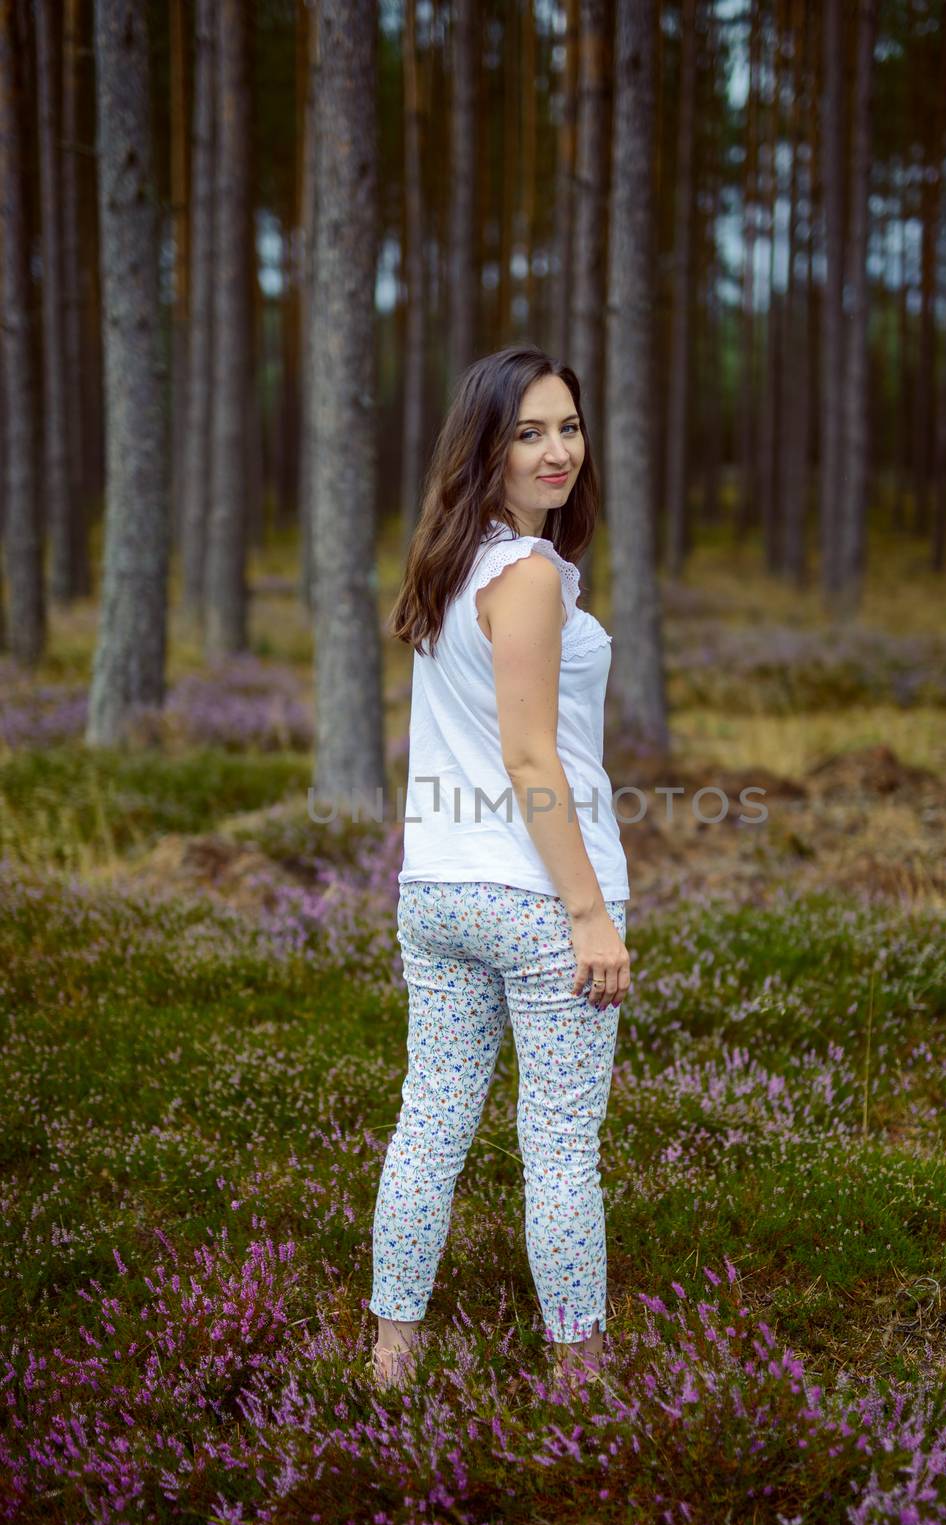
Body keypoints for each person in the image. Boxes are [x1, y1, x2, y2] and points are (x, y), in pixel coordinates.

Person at [372, 345, 633, 1392]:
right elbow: (529, 758)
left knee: (428, 1119)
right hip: (533, 896)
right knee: (562, 1146)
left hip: (435, 886)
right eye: (528, 431)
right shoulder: (524, 577)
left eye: (567, 426)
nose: (557, 449)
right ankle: (579, 1375)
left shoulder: (456, 560)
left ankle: (392, 1353)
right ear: (487, 446)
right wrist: (590, 915)